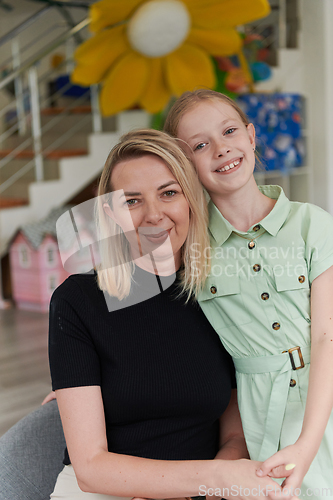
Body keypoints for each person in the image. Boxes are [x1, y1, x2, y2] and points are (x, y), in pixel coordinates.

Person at [48, 129, 289, 500]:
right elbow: (91, 468)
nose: (154, 215)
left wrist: (213, 485)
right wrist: (214, 478)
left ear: (191, 200)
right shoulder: (77, 301)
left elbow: (235, 434)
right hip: (108, 492)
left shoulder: (220, 294)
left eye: (169, 193)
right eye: (132, 201)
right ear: (111, 214)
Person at [164, 89, 333, 499]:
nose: (221, 149)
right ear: (186, 165)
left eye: (229, 131)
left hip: (322, 396)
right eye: (201, 145)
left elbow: (326, 338)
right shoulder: (190, 246)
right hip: (258, 415)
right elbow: (125, 306)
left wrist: (309, 443)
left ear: (252, 136)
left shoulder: (311, 223)